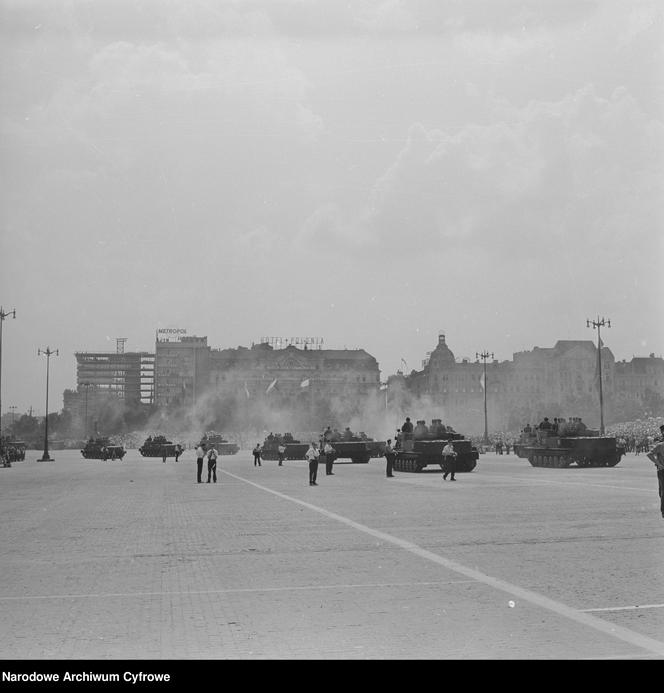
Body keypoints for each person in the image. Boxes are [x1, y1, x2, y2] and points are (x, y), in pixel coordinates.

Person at [646, 425, 664, 519]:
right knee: (662, 490)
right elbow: (651, 453)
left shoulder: (660, 443)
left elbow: (650, 454)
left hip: (661, 468)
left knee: (662, 490)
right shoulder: (659, 443)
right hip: (661, 468)